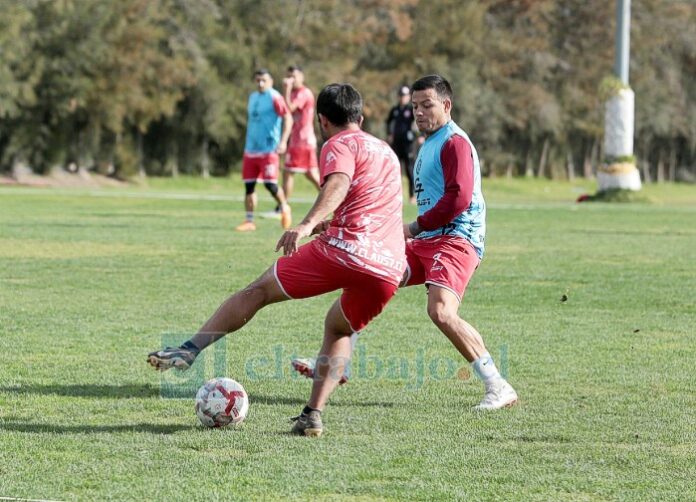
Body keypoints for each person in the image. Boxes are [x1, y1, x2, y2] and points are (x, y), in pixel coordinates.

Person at [147, 83, 406, 436]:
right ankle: (312, 414)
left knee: (259, 291)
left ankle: (190, 349)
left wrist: (306, 224)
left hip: (347, 250)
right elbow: (375, 204)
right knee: (340, 327)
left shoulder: (338, 143)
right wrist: (333, 221)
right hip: (389, 266)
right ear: (360, 117)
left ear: (322, 121)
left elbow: (340, 183)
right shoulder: (387, 152)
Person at [292, 75, 518, 410]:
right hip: (430, 238)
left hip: (457, 239)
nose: (419, 112)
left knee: (441, 311)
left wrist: (413, 227)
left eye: (427, 105)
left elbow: (459, 198)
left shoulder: (454, 142)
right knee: (372, 275)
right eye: (414, 106)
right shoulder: (428, 143)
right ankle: (339, 362)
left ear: (447, 105)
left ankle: (498, 386)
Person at [236, 69, 293, 232]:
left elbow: (288, 117)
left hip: (269, 149)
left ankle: (284, 207)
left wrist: (283, 141)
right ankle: (249, 221)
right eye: (258, 80)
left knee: (270, 184)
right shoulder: (253, 97)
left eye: (264, 80)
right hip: (251, 149)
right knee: (249, 186)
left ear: (271, 81)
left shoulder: (275, 97)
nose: (260, 83)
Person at [282, 65, 321, 201]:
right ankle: (334, 201)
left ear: (302, 77)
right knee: (310, 174)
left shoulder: (304, 93)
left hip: (303, 141)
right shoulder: (293, 93)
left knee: (288, 172)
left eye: (294, 77)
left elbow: (290, 108)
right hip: (297, 140)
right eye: (289, 77)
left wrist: (286, 90)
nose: (291, 80)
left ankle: (282, 207)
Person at [386, 85, 417, 204]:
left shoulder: (411, 110)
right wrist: (389, 134)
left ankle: (412, 196)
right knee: (395, 170)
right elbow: (388, 122)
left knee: (409, 170)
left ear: (409, 97)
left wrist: (419, 136)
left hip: (408, 144)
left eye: (405, 96)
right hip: (396, 144)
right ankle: (395, 195)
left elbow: (418, 124)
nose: (403, 98)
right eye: (401, 95)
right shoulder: (394, 110)